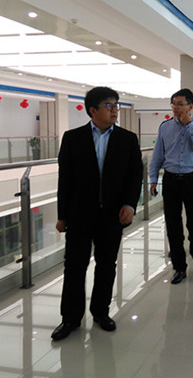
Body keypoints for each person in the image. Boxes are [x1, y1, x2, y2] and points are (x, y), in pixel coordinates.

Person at [51, 86, 143, 341]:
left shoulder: (127, 139)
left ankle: (101, 312)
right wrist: (62, 215)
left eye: (116, 105)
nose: (114, 110)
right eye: (109, 106)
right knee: (74, 267)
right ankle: (70, 318)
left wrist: (130, 204)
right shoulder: (73, 138)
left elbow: (135, 175)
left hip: (112, 215)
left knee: (106, 265)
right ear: (92, 110)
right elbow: (65, 179)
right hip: (80, 215)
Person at [149, 88, 193, 284]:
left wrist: (189, 125)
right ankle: (179, 266)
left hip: (191, 179)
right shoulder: (165, 127)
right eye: (173, 103)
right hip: (170, 180)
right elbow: (158, 154)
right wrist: (153, 179)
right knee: (173, 224)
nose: (175, 107)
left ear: (190, 106)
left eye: (180, 104)